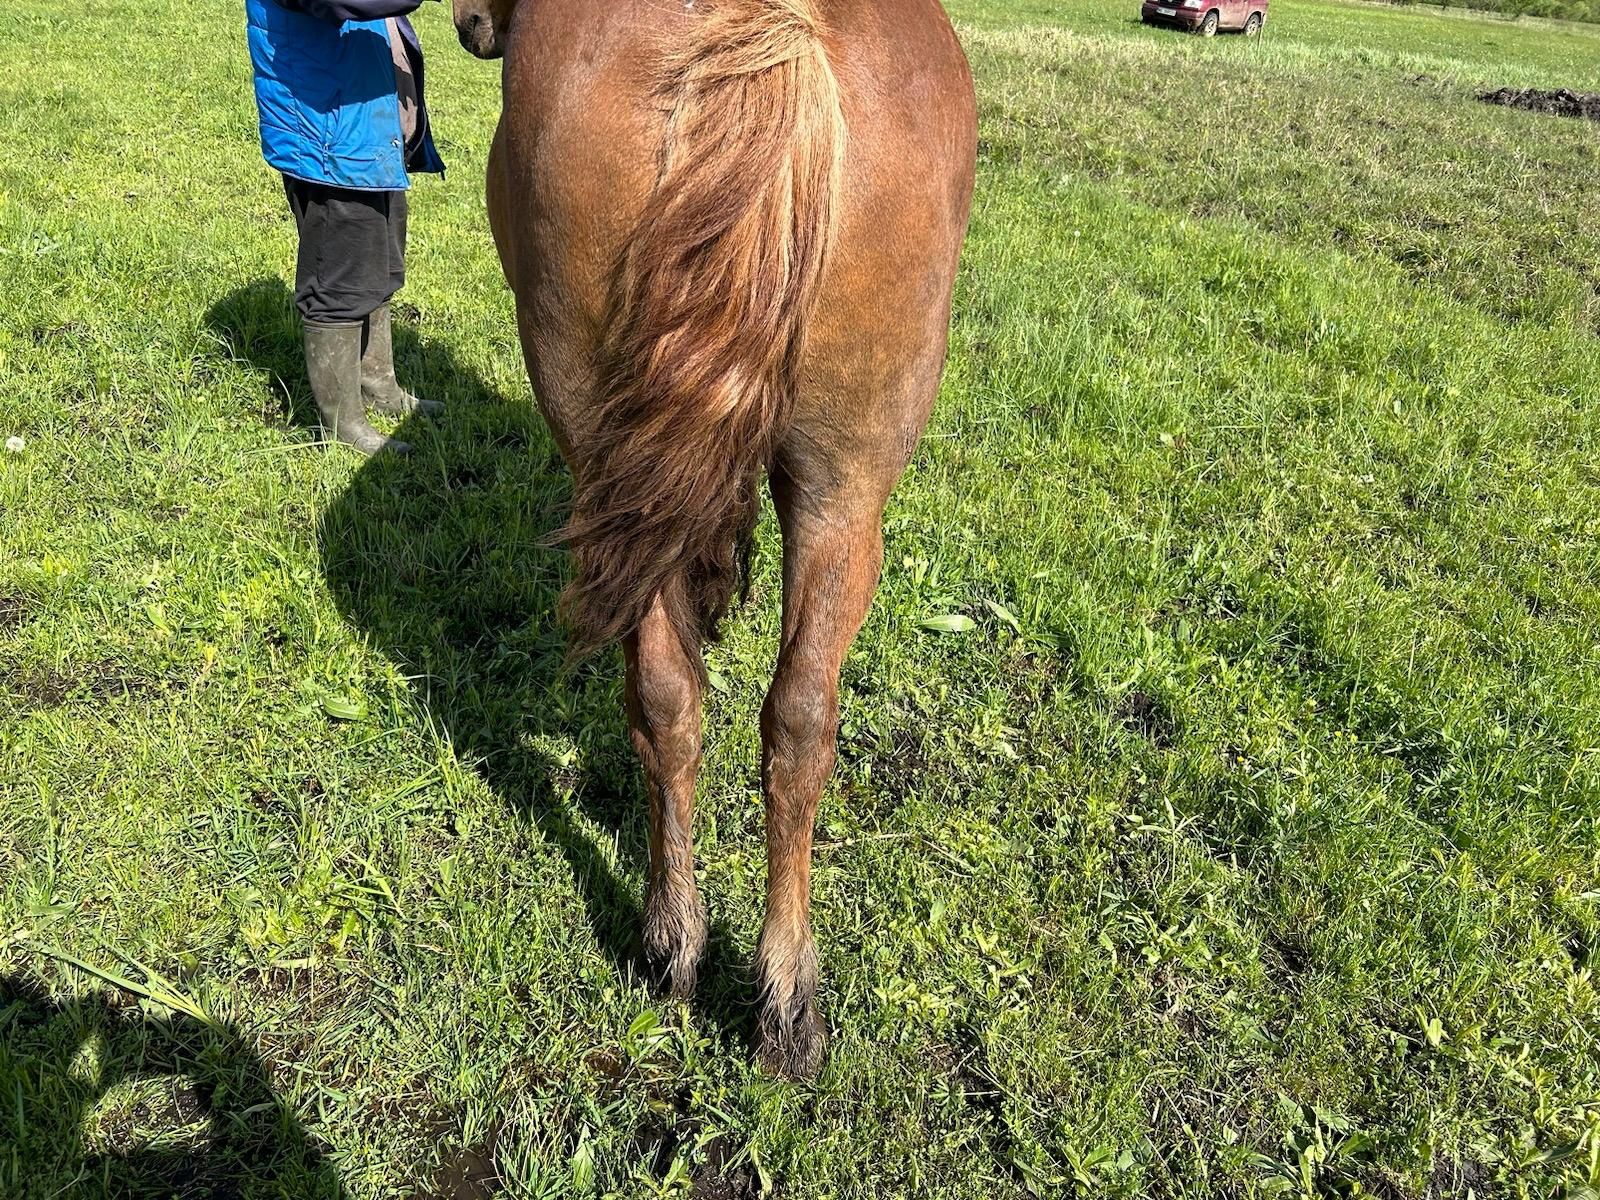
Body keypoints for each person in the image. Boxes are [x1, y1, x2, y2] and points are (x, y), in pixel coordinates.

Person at [244, 0, 446, 455]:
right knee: (338, 284)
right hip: (326, 138)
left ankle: (380, 385)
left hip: (364, 131)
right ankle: (343, 425)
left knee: (379, 267)